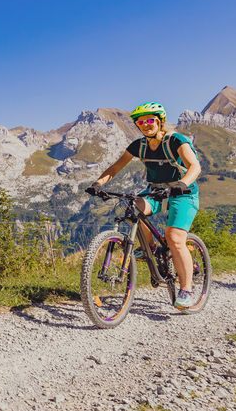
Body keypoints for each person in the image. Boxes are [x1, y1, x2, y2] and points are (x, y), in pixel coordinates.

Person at [85, 102, 202, 309]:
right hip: (156, 190)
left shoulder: (176, 140)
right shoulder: (139, 145)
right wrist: (98, 184)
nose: (145, 124)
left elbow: (195, 166)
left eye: (150, 120)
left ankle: (186, 290)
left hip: (183, 193)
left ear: (159, 121)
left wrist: (182, 184)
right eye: (141, 122)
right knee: (133, 207)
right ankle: (151, 248)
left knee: (175, 237)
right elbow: (116, 167)